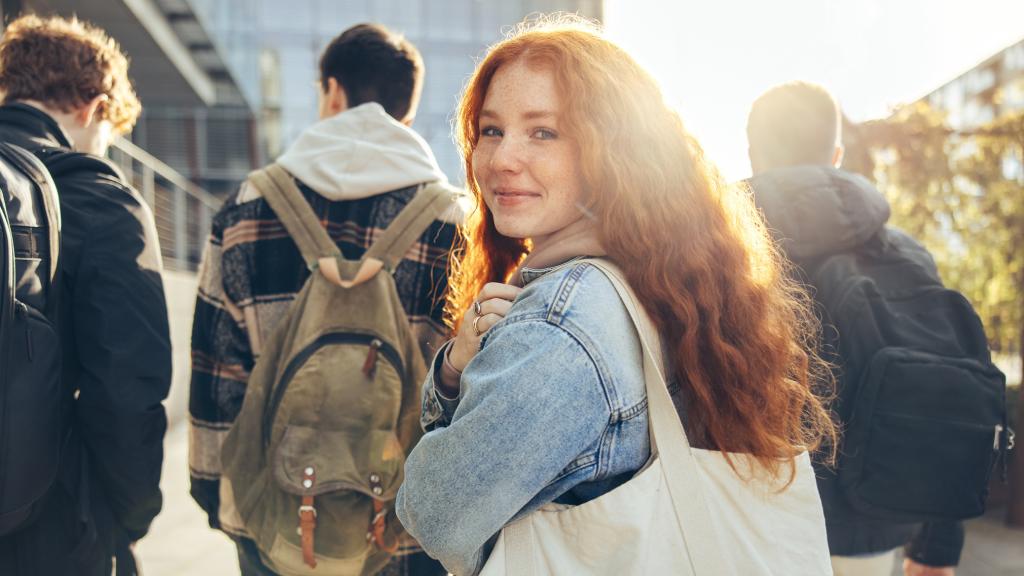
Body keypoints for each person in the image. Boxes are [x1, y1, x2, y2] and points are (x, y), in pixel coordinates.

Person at [395, 17, 836, 576]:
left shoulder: (562, 324)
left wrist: (451, 379)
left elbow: (434, 513)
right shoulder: (661, 276)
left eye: (543, 132)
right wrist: (461, 371)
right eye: (490, 130)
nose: (502, 159)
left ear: (614, 151)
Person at [188, 23, 459, 576]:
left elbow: (217, 372)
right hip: (407, 529)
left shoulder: (247, 208)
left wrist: (216, 495)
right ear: (405, 110)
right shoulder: (454, 221)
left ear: (332, 91)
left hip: (276, 520)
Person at [745, 81, 963, 576]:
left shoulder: (715, 251)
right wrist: (936, 546)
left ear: (753, 154)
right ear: (836, 155)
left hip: (749, 524)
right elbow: (942, 391)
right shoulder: (905, 254)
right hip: (871, 524)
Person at [0, 14, 172, 575]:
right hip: (50, 523)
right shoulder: (100, 199)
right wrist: (126, 519)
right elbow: (128, 388)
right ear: (95, 107)